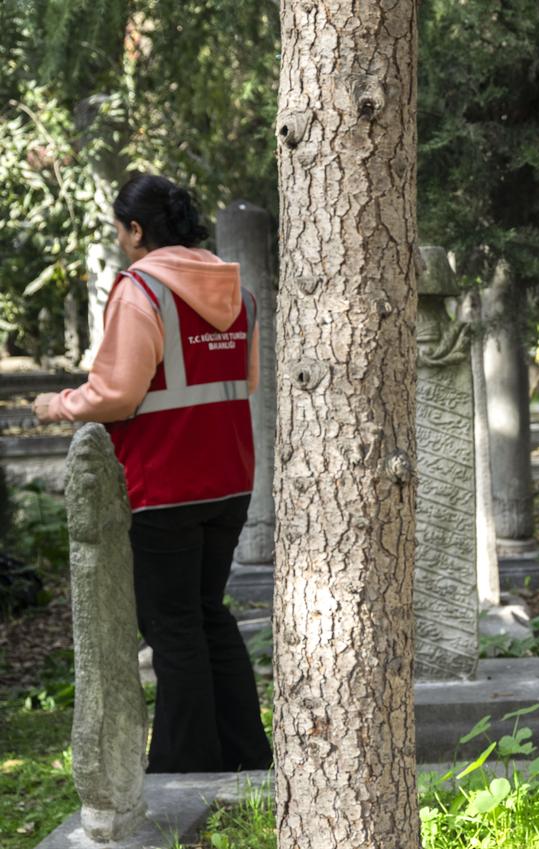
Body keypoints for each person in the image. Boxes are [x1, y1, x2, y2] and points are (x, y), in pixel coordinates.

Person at [35, 173, 272, 774]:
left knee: (171, 626)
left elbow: (117, 394)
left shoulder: (141, 289)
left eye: (121, 230)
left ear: (137, 230)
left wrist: (57, 405)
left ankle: (182, 767)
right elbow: (243, 382)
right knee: (206, 612)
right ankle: (245, 755)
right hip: (231, 477)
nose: (121, 242)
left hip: (165, 479)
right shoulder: (236, 292)